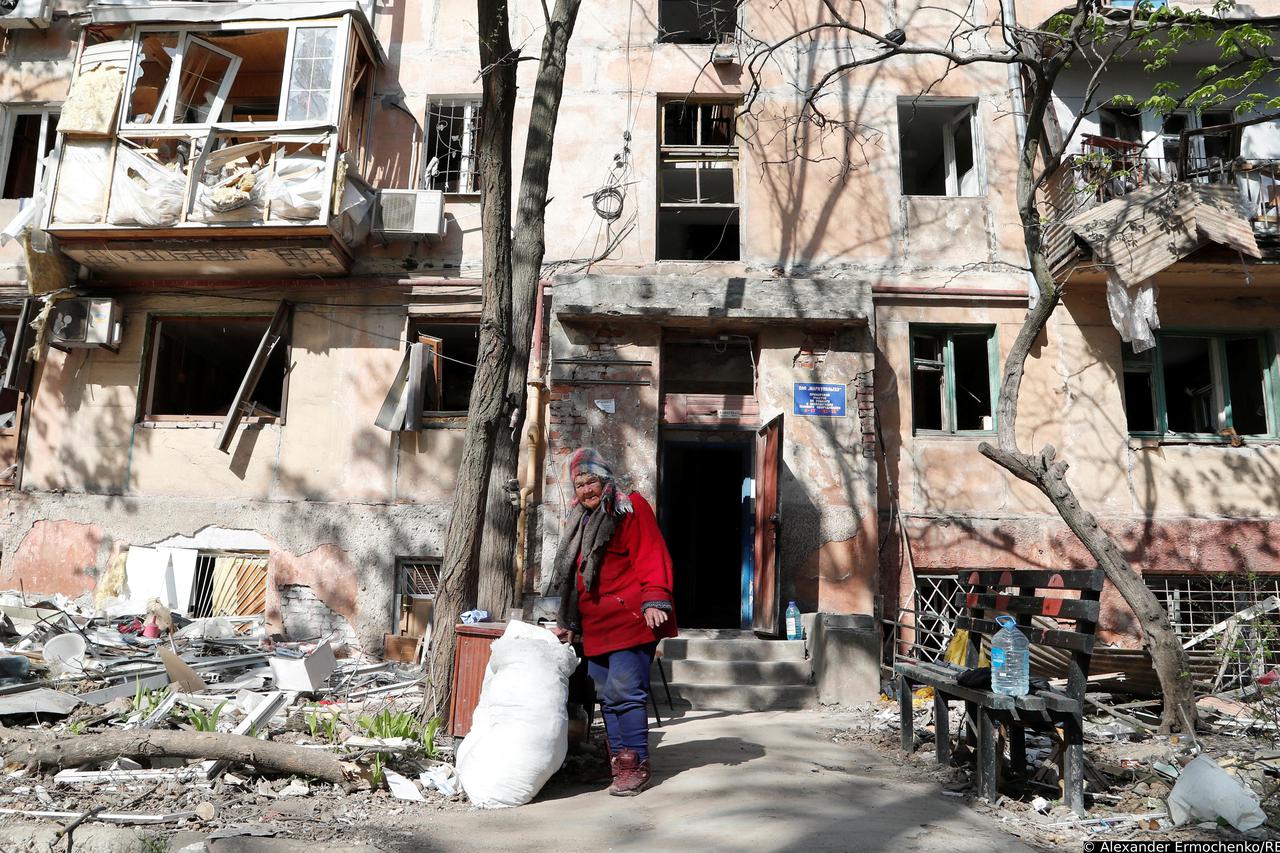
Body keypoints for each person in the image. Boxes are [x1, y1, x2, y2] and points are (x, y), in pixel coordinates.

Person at [548, 447, 677, 796]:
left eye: (591, 481)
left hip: (632, 618)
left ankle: (635, 765)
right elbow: (576, 576)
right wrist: (569, 621)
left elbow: (651, 553)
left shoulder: (628, 506)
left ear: (605, 478)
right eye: (579, 485)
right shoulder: (580, 519)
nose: (587, 490)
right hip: (597, 624)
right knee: (607, 696)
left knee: (626, 693)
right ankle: (618, 764)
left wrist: (655, 598)